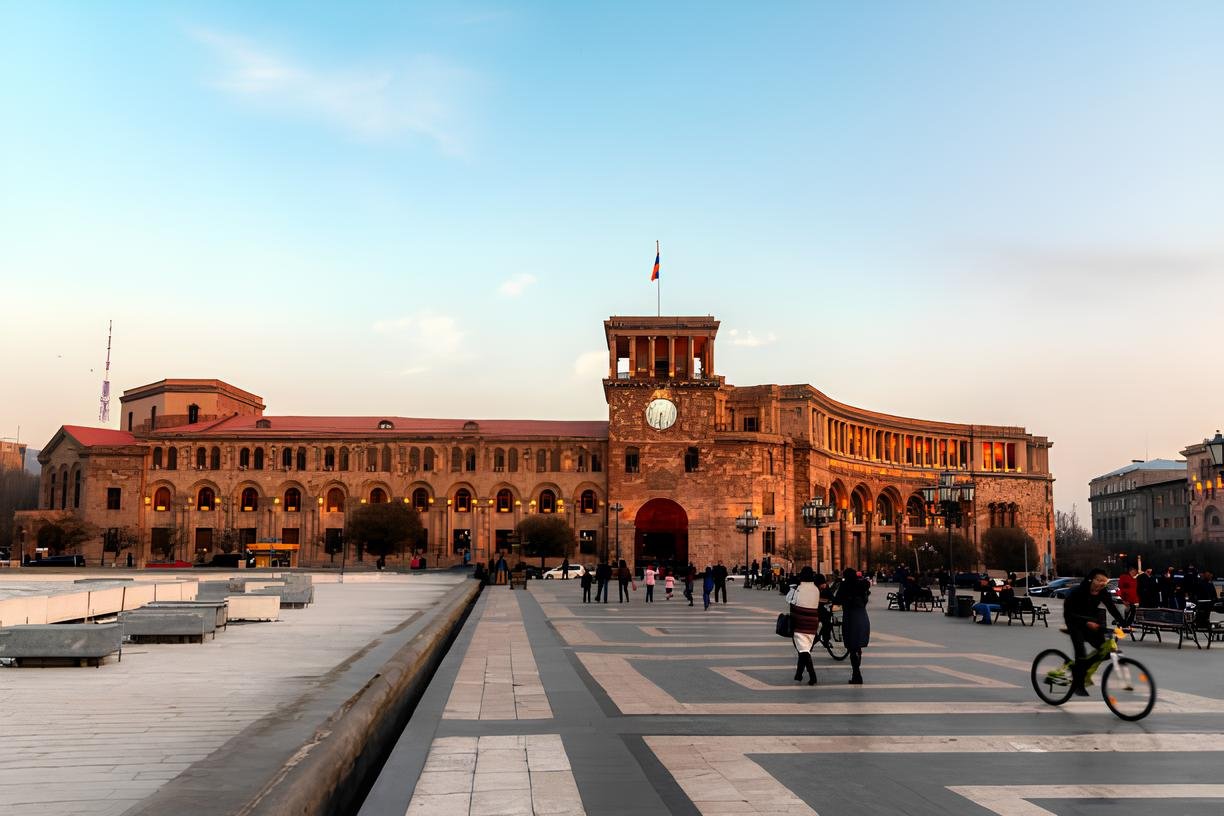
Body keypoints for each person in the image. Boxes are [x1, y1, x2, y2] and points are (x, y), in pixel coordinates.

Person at [1063, 568, 1126, 697]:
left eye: (1104, 582)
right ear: (1091, 579)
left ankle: (1082, 668)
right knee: (1080, 651)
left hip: (1091, 622)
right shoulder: (1078, 592)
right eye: (1098, 580)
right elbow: (1069, 613)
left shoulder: (1103, 592)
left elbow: (1112, 608)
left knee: (1106, 651)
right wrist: (1086, 623)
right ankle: (1078, 683)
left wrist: (1124, 624)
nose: (1101, 584)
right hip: (1074, 621)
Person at [833, 567, 870, 684]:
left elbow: (837, 600)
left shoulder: (845, 586)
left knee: (852, 647)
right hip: (862, 616)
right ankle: (856, 672)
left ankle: (856, 674)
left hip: (850, 617)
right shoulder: (862, 585)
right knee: (857, 645)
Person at [787, 567, 822, 685]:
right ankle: (799, 674)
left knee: (803, 650)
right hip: (812, 623)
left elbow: (789, 600)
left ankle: (813, 676)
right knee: (805, 648)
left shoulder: (799, 589)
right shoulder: (816, 589)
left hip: (800, 622)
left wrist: (792, 589)